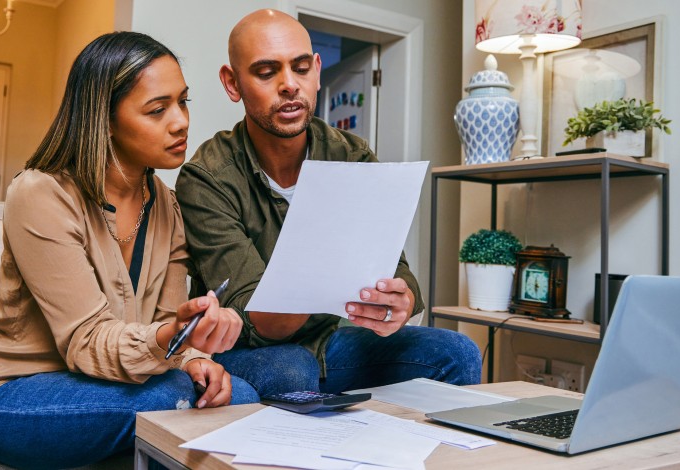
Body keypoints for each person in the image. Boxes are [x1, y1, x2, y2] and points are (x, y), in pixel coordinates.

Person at [0, 32, 259, 469]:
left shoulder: (168, 205)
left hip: (113, 377)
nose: (180, 122)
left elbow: (167, 322)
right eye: (157, 109)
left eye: (183, 102)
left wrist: (192, 353)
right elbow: (87, 341)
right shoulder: (41, 194)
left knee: (228, 390)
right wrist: (171, 339)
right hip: (14, 391)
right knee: (205, 400)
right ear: (105, 118)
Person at [175, 10, 481, 398]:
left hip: (329, 342)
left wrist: (400, 302)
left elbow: (396, 269)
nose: (290, 85)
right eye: (267, 73)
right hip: (249, 350)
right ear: (232, 83)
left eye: (301, 68)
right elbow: (256, 320)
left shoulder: (351, 156)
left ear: (317, 70)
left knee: (457, 352)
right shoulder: (207, 177)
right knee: (290, 369)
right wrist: (321, 271)